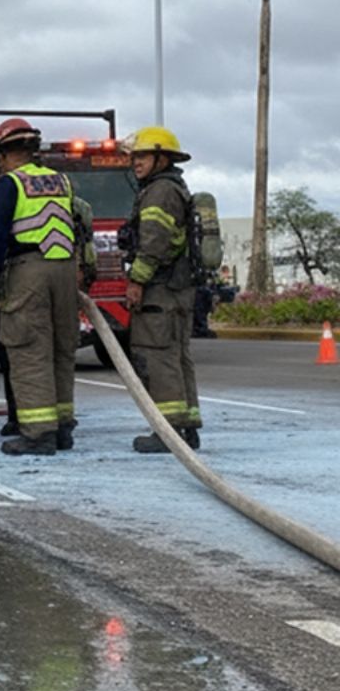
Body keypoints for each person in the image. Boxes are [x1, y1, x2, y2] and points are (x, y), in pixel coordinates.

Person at [0, 119, 79, 456]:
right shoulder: (62, 180)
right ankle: (63, 427)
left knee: (29, 350)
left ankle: (38, 433)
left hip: (29, 271)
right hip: (65, 268)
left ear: (3, 154)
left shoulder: (11, 183)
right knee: (61, 348)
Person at [121, 126, 202, 452]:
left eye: (142, 156)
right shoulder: (173, 189)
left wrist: (137, 280)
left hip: (161, 288)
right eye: (134, 156)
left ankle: (168, 433)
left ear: (161, 158)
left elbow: (153, 242)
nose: (135, 162)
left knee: (159, 358)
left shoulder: (160, 193)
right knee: (178, 357)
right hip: (177, 287)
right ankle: (187, 427)